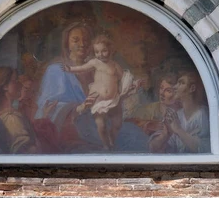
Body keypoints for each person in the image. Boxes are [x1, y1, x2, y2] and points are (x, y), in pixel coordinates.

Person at [35, 22, 148, 152]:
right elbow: (48, 109)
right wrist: (79, 108)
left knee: (135, 136)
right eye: (75, 40)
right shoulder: (56, 71)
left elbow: (114, 94)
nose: (82, 44)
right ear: (67, 44)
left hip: (101, 122)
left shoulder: (97, 69)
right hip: (72, 130)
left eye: (86, 40)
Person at [62, 34, 138, 150]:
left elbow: (124, 79)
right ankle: (106, 145)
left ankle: (112, 140)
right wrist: (70, 69)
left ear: (110, 50)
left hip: (114, 100)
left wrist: (133, 84)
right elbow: (82, 68)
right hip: (98, 100)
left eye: (104, 51)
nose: (100, 54)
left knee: (117, 124)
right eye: (97, 52)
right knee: (101, 125)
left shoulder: (115, 65)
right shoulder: (95, 63)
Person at [149, 70, 210, 153]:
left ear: (192, 88)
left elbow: (206, 150)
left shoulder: (203, 114)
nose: (175, 87)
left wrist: (178, 130)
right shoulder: (178, 115)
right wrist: (166, 134)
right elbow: (155, 148)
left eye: (181, 83)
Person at [0, 67, 40, 154]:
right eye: (15, 80)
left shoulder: (2, 114)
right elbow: (25, 152)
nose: (19, 84)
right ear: (5, 86)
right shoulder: (11, 118)